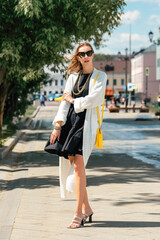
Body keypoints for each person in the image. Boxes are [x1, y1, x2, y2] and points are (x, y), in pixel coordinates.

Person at [49, 42, 107, 229]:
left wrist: (73, 100)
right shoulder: (73, 77)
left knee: (79, 165)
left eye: (89, 53)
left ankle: (78, 214)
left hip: (87, 124)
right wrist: (58, 125)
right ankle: (88, 208)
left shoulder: (100, 76)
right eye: (82, 54)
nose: (86, 56)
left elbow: (95, 99)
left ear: (93, 54)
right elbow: (64, 104)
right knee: (77, 168)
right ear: (78, 57)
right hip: (71, 123)